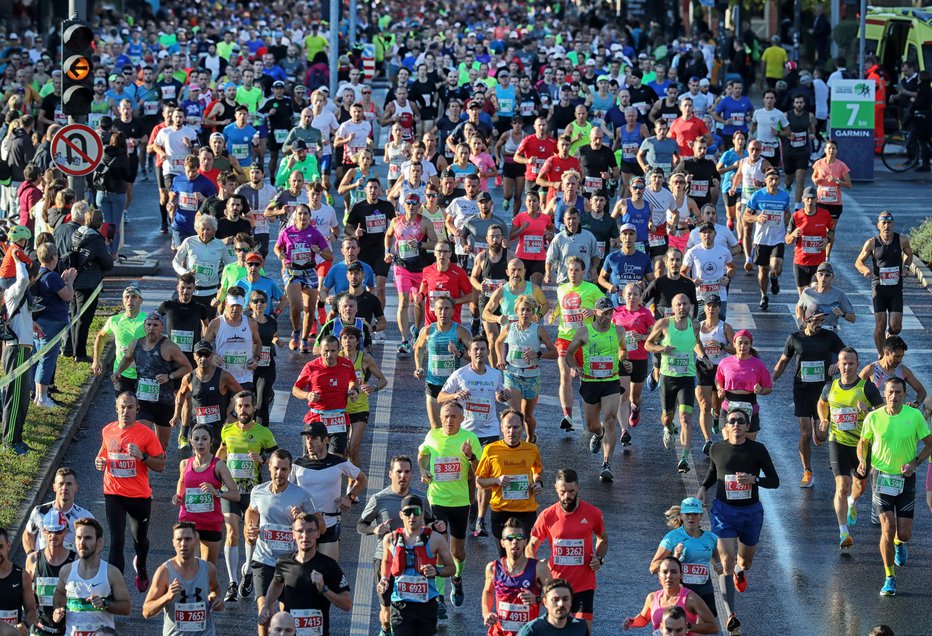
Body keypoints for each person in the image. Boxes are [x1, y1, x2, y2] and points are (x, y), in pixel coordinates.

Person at [696, 408, 779, 634]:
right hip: (724, 511)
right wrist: (703, 488)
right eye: (732, 420)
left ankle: (740, 573)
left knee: (745, 562)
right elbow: (714, 472)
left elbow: (775, 481)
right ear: (727, 424)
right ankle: (730, 613)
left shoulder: (758, 450)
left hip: (750, 512)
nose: (736, 424)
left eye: (741, 421)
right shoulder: (717, 448)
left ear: (747, 425)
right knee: (726, 559)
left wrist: (755, 480)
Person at [857, 377, 932, 597]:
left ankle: (900, 543)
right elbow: (863, 442)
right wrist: (862, 460)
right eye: (890, 392)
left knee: (904, 533)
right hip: (881, 477)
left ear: (904, 395)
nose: (894, 396)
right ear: (884, 393)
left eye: (898, 392)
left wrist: (915, 462)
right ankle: (889, 577)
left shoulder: (915, 416)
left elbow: (929, 444)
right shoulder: (873, 417)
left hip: (906, 478)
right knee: (887, 528)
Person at [437, 336, 512, 537]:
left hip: (490, 431)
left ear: (488, 353)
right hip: (467, 433)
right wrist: (455, 396)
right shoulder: (460, 374)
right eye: (475, 349)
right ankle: (471, 507)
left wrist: (503, 396)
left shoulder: (496, 375)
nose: (479, 352)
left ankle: (480, 519)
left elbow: (498, 395)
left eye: (483, 349)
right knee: (470, 476)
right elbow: (440, 397)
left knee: (484, 476)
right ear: (469, 353)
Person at [357, 456, 438, 636]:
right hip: (385, 559)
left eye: (407, 472)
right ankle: (385, 630)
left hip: (414, 560)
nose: (403, 475)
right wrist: (375, 529)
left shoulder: (420, 499)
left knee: (409, 612)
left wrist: (438, 526)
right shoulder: (379, 499)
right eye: (399, 471)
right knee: (386, 615)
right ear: (390, 474)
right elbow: (360, 526)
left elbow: (431, 522)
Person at [95, 392, 166, 590]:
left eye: (130, 408)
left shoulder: (146, 434)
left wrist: (142, 456)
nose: (126, 411)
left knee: (139, 540)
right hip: (113, 493)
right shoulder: (107, 430)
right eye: (122, 407)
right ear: (116, 408)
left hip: (139, 496)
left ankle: (142, 567)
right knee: (116, 540)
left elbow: (161, 465)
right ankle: (114, 588)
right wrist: (99, 461)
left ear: (137, 410)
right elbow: (103, 455)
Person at [417, 400, 482, 614]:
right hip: (437, 500)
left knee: (458, 552)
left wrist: (470, 456)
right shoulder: (433, 436)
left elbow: (480, 470)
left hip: (460, 502)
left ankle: (457, 578)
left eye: (454, 416)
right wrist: (423, 470)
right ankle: (440, 599)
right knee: (439, 549)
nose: (449, 420)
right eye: (446, 416)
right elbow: (423, 455)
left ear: (462, 419)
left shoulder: (470, 439)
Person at [245, 450, 319, 636]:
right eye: (276, 468)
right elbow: (251, 511)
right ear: (269, 467)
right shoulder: (258, 491)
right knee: (265, 612)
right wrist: (250, 528)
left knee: (286, 617)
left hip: (291, 562)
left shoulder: (301, 495)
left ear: (290, 470)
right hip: (264, 559)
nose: (280, 473)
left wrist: (300, 518)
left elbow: (321, 527)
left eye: (284, 469)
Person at [816, 347, 884, 549]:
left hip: (862, 444)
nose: (847, 367)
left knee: (860, 486)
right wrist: (824, 419)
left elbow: (883, 413)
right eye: (843, 363)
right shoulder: (831, 387)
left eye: (851, 363)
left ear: (857, 364)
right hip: (837, 442)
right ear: (838, 364)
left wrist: (869, 409)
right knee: (842, 486)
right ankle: (843, 532)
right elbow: (822, 403)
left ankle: (852, 504)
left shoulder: (867, 388)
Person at [771, 306, 845, 487]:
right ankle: (807, 471)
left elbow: (846, 354)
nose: (820, 324)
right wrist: (771, 380)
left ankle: (818, 435)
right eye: (816, 320)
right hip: (802, 390)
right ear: (806, 319)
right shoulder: (794, 338)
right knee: (805, 434)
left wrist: (837, 363)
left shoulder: (830, 337)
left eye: (822, 320)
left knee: (820, 435)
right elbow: (783, 361)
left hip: (824, 392)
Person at [528, 469, 607, 632]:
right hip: (556, 585)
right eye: (562, 492)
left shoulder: (592, 513)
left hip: (584, 585)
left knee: (584, 632)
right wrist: (537, 573)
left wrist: (598, 558)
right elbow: (530, 547)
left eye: (571, 491)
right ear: (556, 489)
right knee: (556, 632)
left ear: (578, 487)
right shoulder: (547, 515)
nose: (566, 496)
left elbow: (603, 539)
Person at [218, 391, 279, 602]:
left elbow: (275, 459)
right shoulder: (226, 430)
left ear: (254, 409)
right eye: (239, 406)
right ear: (234, 409)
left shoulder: (263, 432)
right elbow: (221, 455)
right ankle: (232, 582)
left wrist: (261, 458)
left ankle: (248, 572)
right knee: (231, 532)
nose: (243, 410)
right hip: (231, 491)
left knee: (250, 534)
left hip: (253, 492)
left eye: (247, 406)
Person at [645, 294, 711, 473]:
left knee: (685, 418)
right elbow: (648, 345)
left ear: (690, 306)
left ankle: (684, 457)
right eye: (679, 304)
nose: (682, 307)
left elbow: (696, 343)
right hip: (668, 377)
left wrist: (703, 357)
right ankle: (668, 427)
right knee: (667, 417)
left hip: (687, 378)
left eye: (685, 304)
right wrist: (661, 349)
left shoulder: (695, 325)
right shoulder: (664, 324)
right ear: (673, 308)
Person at [565, 297, 629, 481]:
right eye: (604, 313)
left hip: (611, 381)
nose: (608, 316)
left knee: (610, 419)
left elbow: (623, 350)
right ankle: (598, 433)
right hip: (590, 382)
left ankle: (606, 463)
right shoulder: (584, 332)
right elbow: (569, 354)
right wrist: (572, 367)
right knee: (592, 425)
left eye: (610, 313)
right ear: (595, 312)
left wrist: (624, 361)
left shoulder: (618, 331)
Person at [257, 513, 353, 634]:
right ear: (293, 534)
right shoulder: (283, 562)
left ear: (318, 533)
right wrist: (266, 606)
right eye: (300, 531)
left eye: (310, 531)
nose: (305, 536)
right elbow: (277, 583)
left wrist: (324, 589)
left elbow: (347, 604)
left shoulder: (329, 565)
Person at [377, 494, 456, 636]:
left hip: (427, 604)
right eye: (407, 512)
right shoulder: (390, 539)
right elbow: (387, 561)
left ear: (423, 514)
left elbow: (451, 568)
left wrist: (436, 571)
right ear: (401, 515)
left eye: (417, 512)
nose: (412, 516)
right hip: (401, 604)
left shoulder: (435, 539)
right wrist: (384, 578)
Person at [113, 311, 192, 450]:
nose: (151, 328)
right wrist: (118, 371)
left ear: (162, 328)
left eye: (155, 325)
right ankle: (142, 467)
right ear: (144, 327)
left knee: (161, 447)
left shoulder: (169, 346)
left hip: (164, 402)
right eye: (148, 324)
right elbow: (127, 358)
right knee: (142, 438)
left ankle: (157, 463)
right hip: (143, 400)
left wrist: (170, 376)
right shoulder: (135, 344)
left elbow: (187, 367)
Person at [290, 421, 368, 561]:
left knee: (329, 571)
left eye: (313, 438)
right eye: (307, 438)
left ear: (325, 440)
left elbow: (362, 479)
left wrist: (349, 497)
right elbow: (287, 490)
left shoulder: (338, 462)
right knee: (303, 571)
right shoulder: (297, 464)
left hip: (330, 523)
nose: (309, 442)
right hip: (304, 526)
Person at [475, 409, 544, 550]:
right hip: (501, 511)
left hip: (526, 511)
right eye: (508, 427)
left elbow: (537, 472)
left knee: (524, 557)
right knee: (505, 559)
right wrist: (496, 480)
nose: (512, 431)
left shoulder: (532, 449)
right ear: (502, 428)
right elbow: (479, 481)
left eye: (516, 427)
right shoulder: (491, 450)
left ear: (522, 428)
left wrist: (538, 483)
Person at [172, 424, 240, 564]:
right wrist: (178, 496)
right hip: (188, 521)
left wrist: (217, 492)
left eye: (204, 439)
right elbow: (182, 482)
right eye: (196, 439)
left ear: (211, 441)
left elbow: (236, 494)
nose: (200, 442)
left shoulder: (218, 465)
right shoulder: (185, 464)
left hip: (211, 523)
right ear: (190, 441)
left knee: (208, 570)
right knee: (191, 563)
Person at [141, 521, 224, 634]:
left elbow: (215, 589)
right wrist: (167, 596)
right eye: (179, 539)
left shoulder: (208, 568)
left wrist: (216, 599)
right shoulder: (164, 572)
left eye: (188, 539)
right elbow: (146, 611)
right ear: (173, 542)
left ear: (195, 541)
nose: (183, 544)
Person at [493, 294, 557, 441]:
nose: (525, 313)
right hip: (512, 374)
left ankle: (530, 438)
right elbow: (498, 342)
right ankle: (515, 444)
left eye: (528, 310)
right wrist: (501, 358)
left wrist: (538, 354)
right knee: (515, 413)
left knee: (527, 416)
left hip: (532, 376)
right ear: (517, 311)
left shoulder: (538, 330)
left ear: (533, 312)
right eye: (522, 310)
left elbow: (554, 353)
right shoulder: (509, 327)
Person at [52, 518, 131, 634]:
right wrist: (57, 610)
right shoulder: (66, 571)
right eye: (79, 538)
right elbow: (59, 594)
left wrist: (105, 604)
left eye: (88, 538)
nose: (82, 543)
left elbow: (126, 607)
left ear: (99, 542)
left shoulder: (111, 573)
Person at [552, 256, 604, 432]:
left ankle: (590, 417)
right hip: (565, 337)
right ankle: (567, 416)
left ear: (583, 271)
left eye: (576, 270)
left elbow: (607, 309)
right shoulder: (561, 289)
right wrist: (554, 313)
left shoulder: (592, 289)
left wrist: (594, 312)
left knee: (586, 381)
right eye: (570, 270)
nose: (573, 273)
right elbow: (560, 307)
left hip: (586, 340)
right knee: (565, 374)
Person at [649, 498, 722, 620]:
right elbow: (653, 567)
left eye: (695, 514)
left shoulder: (711, 538)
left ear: (700, 516)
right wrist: (674, 557)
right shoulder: (672, 537)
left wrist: (718, 566)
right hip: (680, 590)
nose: (691, 517)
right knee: (680, 625)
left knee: (705, 626)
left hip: (704, 590)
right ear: (681, 516)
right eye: (688, 514)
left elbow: (718, 560)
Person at [855, 211, 913, 357]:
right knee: (880, 324)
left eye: (889, 223)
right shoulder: (872, 243)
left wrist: (906, 267)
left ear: (893, 224)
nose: (886, 226)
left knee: (896, 327)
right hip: (879, 288)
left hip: (895, 289)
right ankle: (881, 355)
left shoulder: (901, 240)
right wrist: (864, 269)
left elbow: (909, 254)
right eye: (883, 223)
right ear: (878, 225)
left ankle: (890, 334)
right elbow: (858, 261)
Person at [276, 204, 334, 351]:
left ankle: (304, 339)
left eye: (305, 214)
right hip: (292, 270)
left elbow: (329, 256)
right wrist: (279, 253)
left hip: (308, 271)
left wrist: (319, 250)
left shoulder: (315, 233)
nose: (302, 217)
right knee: (296, 306)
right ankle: (295, 333)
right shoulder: (287, 232)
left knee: (309, 309)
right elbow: (277, 247)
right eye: (300, 214)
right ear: (295, 216)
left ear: (310, 216)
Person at [481, 516, 550, 636]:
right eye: (510, 538)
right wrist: (487, 613)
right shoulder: (493, 568)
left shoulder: (539, 569)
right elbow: (488, 592)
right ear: (502, 543)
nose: (514, 541)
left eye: (519, 537)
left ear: (525, 541)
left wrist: (537, 599)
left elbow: (556, 598)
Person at [292, 335, 359, 457]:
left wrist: (354, 391)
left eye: (333, 351)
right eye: (326, 351)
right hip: (316, 418)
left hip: (338, 419)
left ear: (339, 350)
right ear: (320, 350)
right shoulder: (311, 367)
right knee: (314, 459)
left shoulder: (347, 365)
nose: (329, 355)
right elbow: (295, 389)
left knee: (335, 461)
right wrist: (308, 395)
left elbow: (353, 381)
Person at [622, 556, 718, 634]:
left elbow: (713, 627)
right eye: (665, 572)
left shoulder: (690, 598)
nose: (669, 576)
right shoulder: (652, 598)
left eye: (674, 572)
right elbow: (644, 619)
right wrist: (632, 622)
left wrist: (687, 627)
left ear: (681, 575)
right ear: (659, 576)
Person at [32, 243, 76, 407]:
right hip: (52, 323)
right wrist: (69, 282)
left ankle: (37, 395)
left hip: (40, 322)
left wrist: (62, 281)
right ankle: (43, 397)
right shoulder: (51, 276)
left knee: (39, 357)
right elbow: (68, 296)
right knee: (47, 359)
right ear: (53, 257)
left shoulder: (39, 273)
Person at [743, 168, 789, 311]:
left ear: (779, 181)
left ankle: (774, 279)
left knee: (775, 268)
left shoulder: (784, 196)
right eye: (771, 179)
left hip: (778, 238)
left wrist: (788, 228)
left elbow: (787, 213)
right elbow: (745, 216)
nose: (774, 182)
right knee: (762, 271)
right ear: (765, 181)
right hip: (761, 239)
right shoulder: (757, 196)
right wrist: (757, 218)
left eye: (776, 179)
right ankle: (763, 296)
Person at [715, 330, 773, 442]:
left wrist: (761, 390)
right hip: (728, 406)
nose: (743, 346)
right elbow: (718, 379)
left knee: (748, 446)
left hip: (750, 407)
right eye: (740, 343)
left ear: (750, 345)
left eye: (746, 343)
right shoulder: (725, 362)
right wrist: (719, 389)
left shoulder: (758, 364)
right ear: (734, 344)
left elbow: (768, 388)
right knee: (729, 444)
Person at [25, 508, 76, 635]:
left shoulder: (75, 560)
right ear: (43, 531)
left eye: (58, 531)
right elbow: (26, 596)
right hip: (40, 629)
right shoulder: (33, 560)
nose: (53, 536)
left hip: (68, 629)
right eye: (49, 531)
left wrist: (63, 608)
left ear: (65, 531)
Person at [23, 467, 93, 553]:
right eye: (61, 484)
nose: (64, 488)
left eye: (69, 484)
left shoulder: (85, 517)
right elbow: (28, 534)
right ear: (54, 487)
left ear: (76, 487)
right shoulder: (40, 511)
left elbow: (95, 543)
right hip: (44, 563)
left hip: (72, 565)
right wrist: (31, 555)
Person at [204, 288, 262, 391]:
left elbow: (257, 342)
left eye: (238, 306)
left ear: (243, 304)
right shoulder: (216, 323)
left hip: (245, 378)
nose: (235, 309)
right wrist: (212, 356)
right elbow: (204, 346)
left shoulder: (251, 323)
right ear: (226, 303)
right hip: (222, 377)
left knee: (243, 406)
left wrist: (256, 359)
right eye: (232, 305)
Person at [785, 188, 835, 296]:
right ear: (802, 199)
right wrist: (793, 234)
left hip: (818, 264)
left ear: (817, 199)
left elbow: (831, 231)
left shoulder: (824, 214)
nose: (810, 202)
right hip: (800, 263)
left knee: (814, 294)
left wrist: (827, 239)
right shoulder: (796, 216)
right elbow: (787, 240)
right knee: (803, 297)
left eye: (812, 198)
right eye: (807, 198)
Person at [858, 336, 928, 408]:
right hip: (877, 415)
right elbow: (855, 390)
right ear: (886, 353)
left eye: (901, 356)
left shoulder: (903, 370)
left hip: (897, 415)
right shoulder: (870, 370)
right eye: (896, 356)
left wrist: (916, 403)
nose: (900, 360)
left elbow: (921, 391)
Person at [795, 262, 855, 331]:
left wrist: (843, 314)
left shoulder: (839, 294)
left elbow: (853, 318)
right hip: (812, 332)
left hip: (829, 333)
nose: (823, 278)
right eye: (820, 274)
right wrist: (800, 322)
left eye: (827, 275)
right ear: (816, 275)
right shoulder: (807, 292)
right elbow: (799, 307)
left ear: (832, 277)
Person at [515, 579, 588, 636]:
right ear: (545, 602)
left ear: (571, 601)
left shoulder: (581, 627)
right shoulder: (532, 630)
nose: (561, 604)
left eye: (565, 599)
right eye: (555, 600)